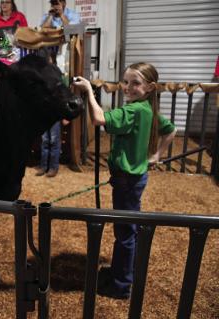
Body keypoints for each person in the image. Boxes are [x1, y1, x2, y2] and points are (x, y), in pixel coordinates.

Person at [73, 63, 177, 299]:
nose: (128, 87)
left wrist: (89, 90)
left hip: (127, 181)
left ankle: (121, 286)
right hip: (134, 178)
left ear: (150, 87)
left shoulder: (135, 111)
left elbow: (99, 119)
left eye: (135, 83)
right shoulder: (148, 110)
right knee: (127, 229)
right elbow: (171, 131)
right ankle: (121, 272)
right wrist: (156, 154)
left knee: (126, 233)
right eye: (126, 82)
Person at [35, 50, 64, 178]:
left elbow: (63, 94)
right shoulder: (39, 74)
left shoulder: (57, 73)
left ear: (51, 59)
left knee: (53, 140)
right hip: (43, 112)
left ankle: (53, 167)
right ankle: (43, 166)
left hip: (54, 112)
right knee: (45, 140)